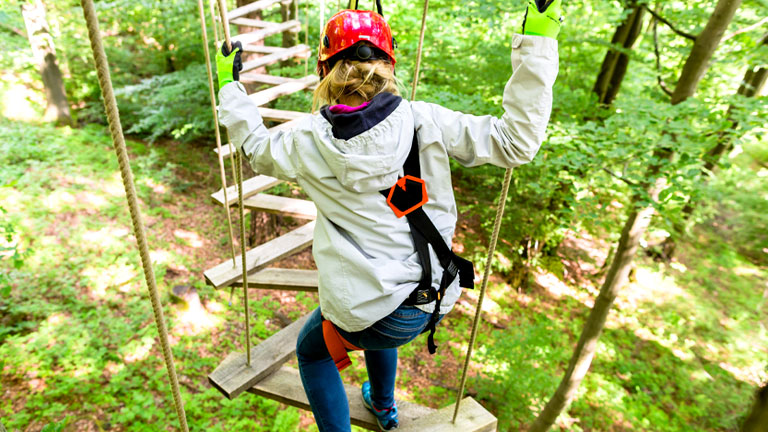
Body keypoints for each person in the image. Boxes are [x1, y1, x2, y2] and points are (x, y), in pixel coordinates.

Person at [215, 1, 561, 430]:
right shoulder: (425, 120)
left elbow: (253, 148)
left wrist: (229, 86)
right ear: (388, 65)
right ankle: (383, 406)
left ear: (325, 72)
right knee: (377, 305)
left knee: (313, 350)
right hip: (429, 299)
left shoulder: (303, 141)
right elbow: (516, 142)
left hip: (371, 313)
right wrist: (539, 38)